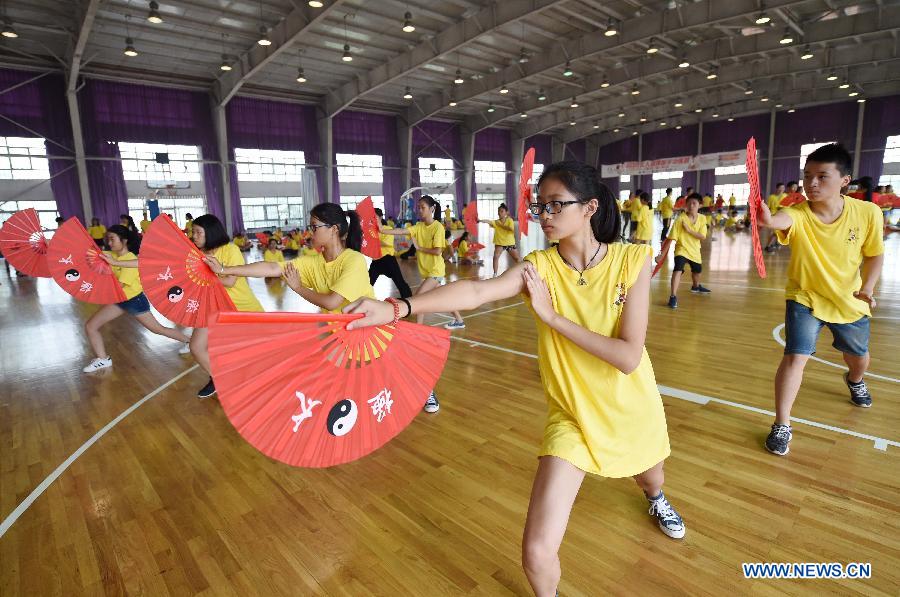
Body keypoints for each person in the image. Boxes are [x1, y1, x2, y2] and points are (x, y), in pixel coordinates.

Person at [345, 161, 686, 596]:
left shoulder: (630, 261)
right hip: (573, 416)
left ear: (589, 207)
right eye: (539, 206)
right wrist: (396, 308)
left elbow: (627, 356)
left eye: (554, 205)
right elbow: (476, 291)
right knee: (537, 553)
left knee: (650, 478)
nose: (543, 215)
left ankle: (655, 499)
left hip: (631, 407)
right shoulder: (538, 267)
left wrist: (551, 317)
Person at [757, 144, 884, 456]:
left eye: (821, 176)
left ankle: (855, 380)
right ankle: (782, 424)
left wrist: (867, 287)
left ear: (844, 180)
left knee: (859, 358)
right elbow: (780, 221)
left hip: (849, 299)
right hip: (805, 297)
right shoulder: (798, 213)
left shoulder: (868, 213)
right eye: (807, 176)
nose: (811, 183)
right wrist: (767, 220)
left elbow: (874, 256)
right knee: (795, 357)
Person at [81, 225, 191, 373]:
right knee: (91, 326)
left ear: (124, 240)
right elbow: (86, 252)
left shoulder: (130, 260)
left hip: (134, 301)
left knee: (158, 329)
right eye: (108, 239)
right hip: (120, 300)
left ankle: (190, 342)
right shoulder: (111, 255)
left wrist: (96, 289)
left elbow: (118, 286)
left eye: (112, 239)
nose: (109, 242)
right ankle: (103, 359)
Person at [190, 214, 264, 399]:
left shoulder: (229, 250)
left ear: (211, 233)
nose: (194, 236)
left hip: (241, 309)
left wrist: (204, 274)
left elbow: (230, 281)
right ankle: (220, 379)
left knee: (250, 354)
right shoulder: (196, 254)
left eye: (198, 232)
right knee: (196, 347)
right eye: (193, 232)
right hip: (213, 308)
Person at [664, 193, 710, 309]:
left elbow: (702, 236)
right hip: (682, 249)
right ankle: (673, 296)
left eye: (694, 203)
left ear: (700, 205)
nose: (691, 206)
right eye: (688, 203)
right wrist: (662, 254)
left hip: (695, 251)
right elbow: (671, 238)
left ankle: (695, 286)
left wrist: (689, 230)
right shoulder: (680, 219)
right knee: (678, 269)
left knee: (697, 271)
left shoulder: (703, 218)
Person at [368, 207, 412, 299]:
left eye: (375, 217)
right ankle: (362, 299)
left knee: (400, 282)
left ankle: (409, 300)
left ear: (380, 218)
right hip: (376, 261)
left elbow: (386, 244)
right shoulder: (370, 231)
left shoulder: (387, 229)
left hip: (388, 259)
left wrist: (373, 240)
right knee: (367, 283)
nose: (373, 219)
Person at [479, 203, 522, 276]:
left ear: (506, 212)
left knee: (517, 259)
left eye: (502, 211)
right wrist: (480, 220)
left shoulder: (509, 220)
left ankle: (522, 271)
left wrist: (501, 225)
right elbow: (488, 221)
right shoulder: (496, 222)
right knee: (495, 257)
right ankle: (495, 274)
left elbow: (511, 229)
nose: (499, 213)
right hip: (500, 243)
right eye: (499, 211)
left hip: (510, 243)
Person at [764, 183, 787, 251]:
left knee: (779, 232)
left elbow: (788, 206)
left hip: (782, 216)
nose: (781, 190)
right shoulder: (771, 197)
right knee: (773, 232)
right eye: (780, 188)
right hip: (773, 216)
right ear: (777, 189)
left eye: (783, 188)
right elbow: (768, 207)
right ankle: (768, 246)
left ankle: (775, 243)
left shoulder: (785, 196)